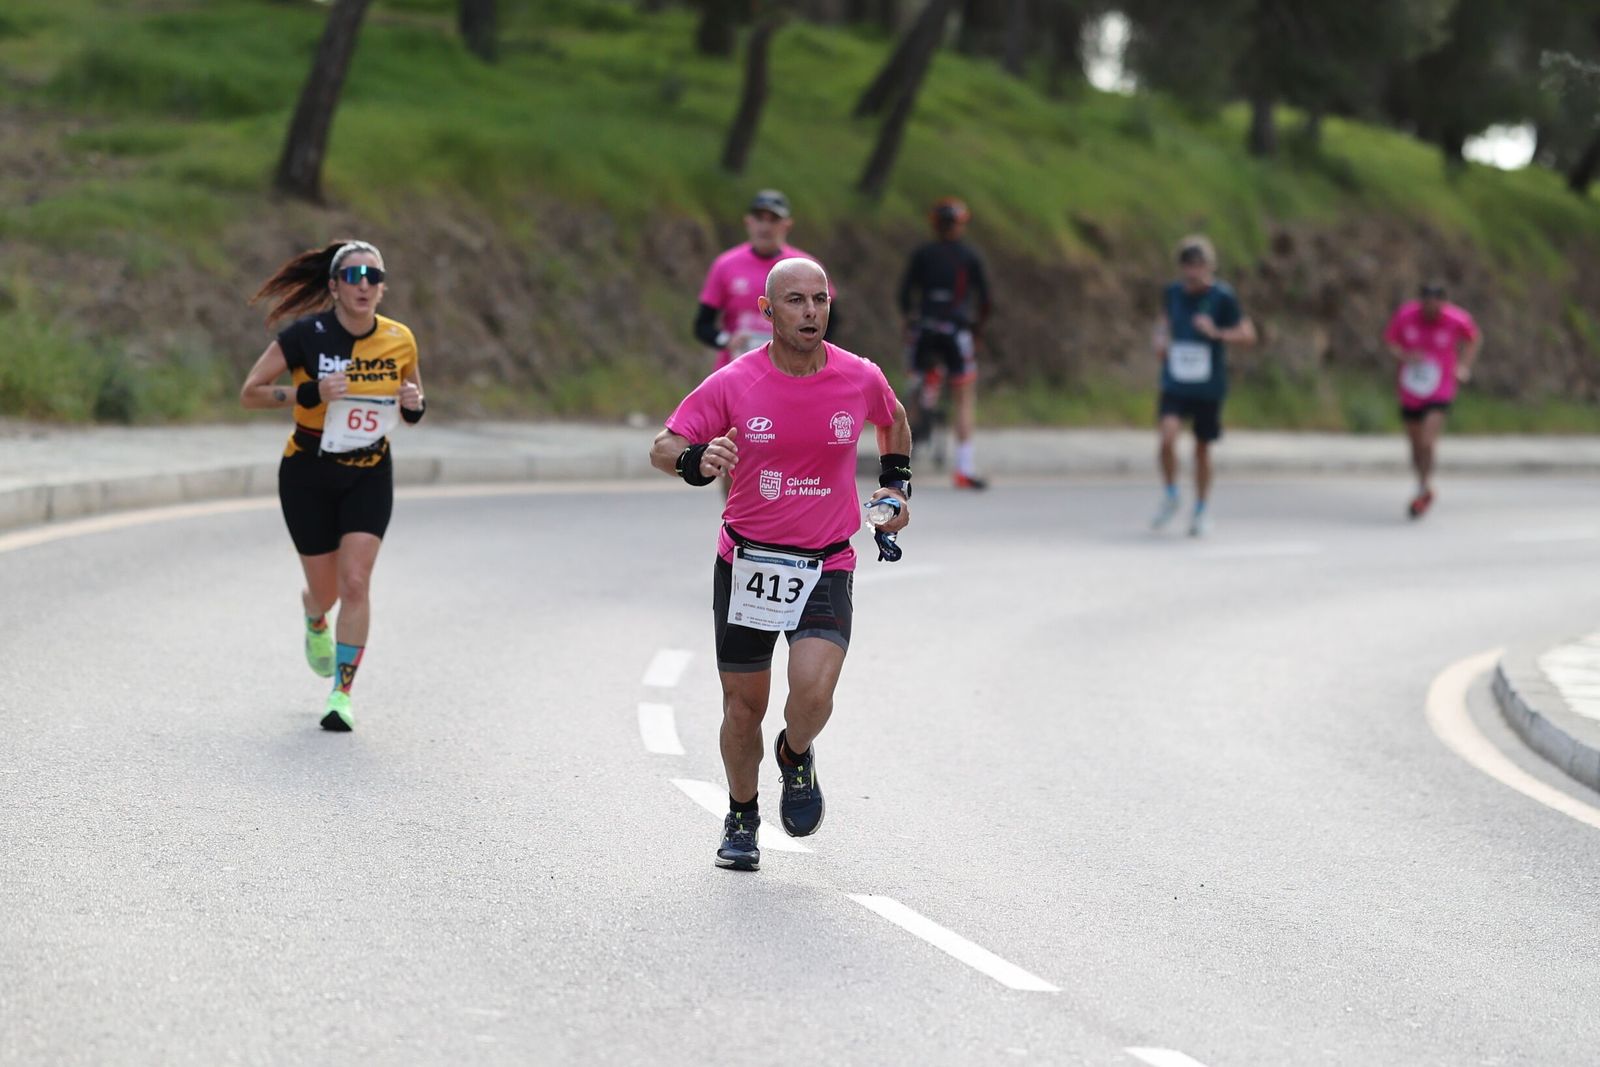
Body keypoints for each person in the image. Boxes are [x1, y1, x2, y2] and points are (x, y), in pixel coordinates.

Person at [651, 258, 912, 872]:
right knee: (743, 708)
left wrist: (896, 487)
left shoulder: (859, 376)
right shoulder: (734, 382)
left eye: (820, 299)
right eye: (794, 301)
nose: (811, 312)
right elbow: (663, 445)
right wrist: (697, 462)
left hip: (827, 561)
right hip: (748, 562)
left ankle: (795, 755)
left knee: (814, 692)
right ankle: (742, 812)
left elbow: (893, 419)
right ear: (768, 312)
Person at [239, 239, 425, 732]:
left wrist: (413, 404)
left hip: (369, 471)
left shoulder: (400, 339)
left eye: (373, 278)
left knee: (357, 582)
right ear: (334, 288)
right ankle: (312, 613)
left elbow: (411, 409)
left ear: (382, 290)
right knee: (325, 593)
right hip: (308, 472)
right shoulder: (305, 335)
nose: (363, 285)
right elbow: (250, 393)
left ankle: (341, 692)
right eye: (353, 277)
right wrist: (309, 391)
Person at [1150, 235, 1257, 537]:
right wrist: (1159, 337)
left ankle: (1201, 508)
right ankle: (1171, 494)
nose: (1193, 271)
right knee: (1167, 436)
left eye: (1199, 265)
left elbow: (1248, 334)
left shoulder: (1222, 297)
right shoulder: (1172, 293)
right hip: (1176, 380)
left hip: (1207, 386)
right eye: (1188, 265)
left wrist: (1217, 333)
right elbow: (1162, 321)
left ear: (1210, 266)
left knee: (1201, 448)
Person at [898, 197, 992, 489]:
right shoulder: (969, 256)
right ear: (961, 225)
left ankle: (900, 468)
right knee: (964, 395)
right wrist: (977, 330)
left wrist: (909, 320)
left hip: (925, 328)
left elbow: (904, 294)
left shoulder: (922, 254)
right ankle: (964, 468)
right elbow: (985, 300)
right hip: (956, 330)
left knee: (911, 391)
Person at [694, 189, 832, 371]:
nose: (765, 227)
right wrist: (727, 340)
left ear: (787, 225)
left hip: (789, 371)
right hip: (736, 371)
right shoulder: (726, 265)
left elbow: (829, 320)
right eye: (760, 219)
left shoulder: (806, 268)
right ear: (748, 222)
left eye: (773, 220)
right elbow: (702, 324)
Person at [1383, 282, 1482, 519]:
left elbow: (1474, 338)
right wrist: (1405, 356)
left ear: (1443, 304)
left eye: (1437, 304)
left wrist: (1464, 367)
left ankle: (1423, 486)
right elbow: (1390, 342)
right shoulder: (1406, 315)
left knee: (1428, 440)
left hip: (1441, 386)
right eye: (1427, 303)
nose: (1432, 309)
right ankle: (1423, 485)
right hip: (1411, 387)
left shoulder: (1455, 318)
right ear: (1421, 302)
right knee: (1415, 443)